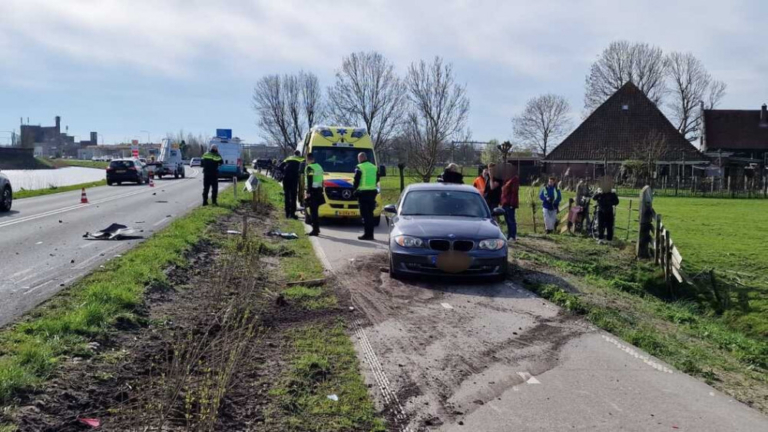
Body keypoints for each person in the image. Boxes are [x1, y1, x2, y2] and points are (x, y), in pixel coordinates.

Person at [353, 152, 379, 241]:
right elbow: (377, 178)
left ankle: (366, 234)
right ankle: (370, 234)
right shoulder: (374, 167)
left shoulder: (359, 167)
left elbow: (356, 180)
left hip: (363, 194)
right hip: (372, 193)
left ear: (360, 158)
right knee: (370, 215)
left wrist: (354, 190)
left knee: (365, 215)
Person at [304, 153, 325, 236]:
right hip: (319, 190)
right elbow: (322, 179)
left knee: (313, 212)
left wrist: (308, 192)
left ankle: (315, 230)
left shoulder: (309, 168)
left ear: (308, 159)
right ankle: (317, 229)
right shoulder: (319, 166)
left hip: (313, 191)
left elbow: (310, 180)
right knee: (315, 211)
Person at [279, 150, 303, 219]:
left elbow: (280, 167)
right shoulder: (301, 159)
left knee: (287, 196)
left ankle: (287, 214)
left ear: (293, 154)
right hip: (293, 179)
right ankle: (292, 214)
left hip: (286, 179)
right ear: (299, 154)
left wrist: (284, 173)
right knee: (293, 196)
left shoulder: (288, 158)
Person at [501, 174, 520, 241]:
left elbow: (514, 192)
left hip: (510, 204)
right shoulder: (506, 179)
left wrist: (512, 204)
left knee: (511, 220)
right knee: (507, 220)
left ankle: (513, 235)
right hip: (505, 203)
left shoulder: (514, 179)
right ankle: (509, 235)